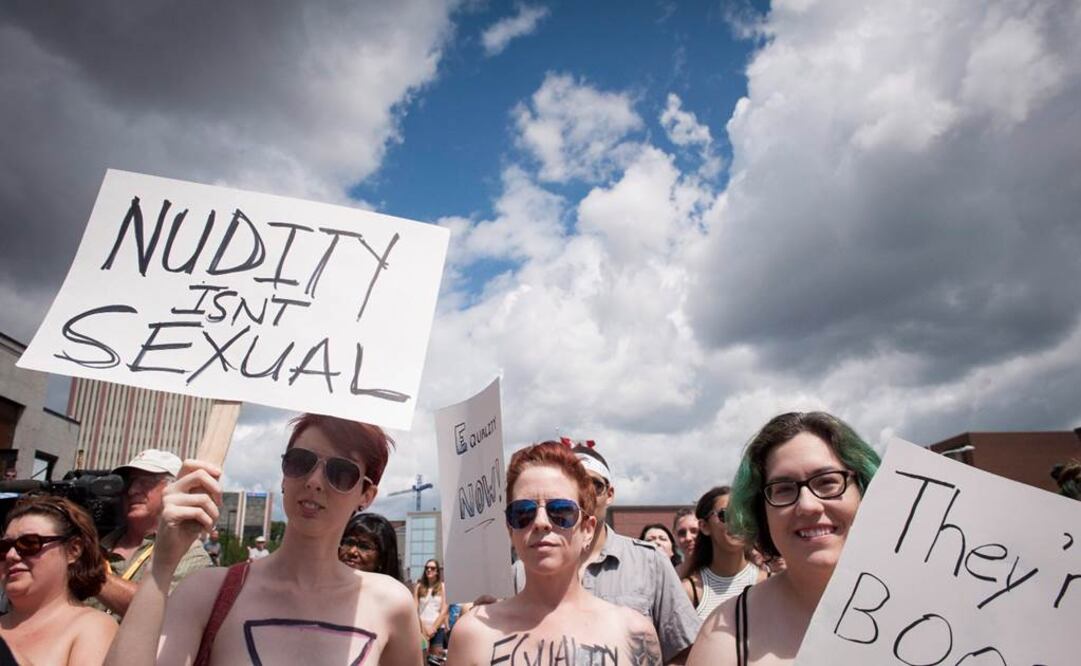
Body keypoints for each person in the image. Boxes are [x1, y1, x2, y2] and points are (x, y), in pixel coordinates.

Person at [103, 413, 423, 665]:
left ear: (366, 494)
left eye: (340, 473)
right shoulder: (206, 592)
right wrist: (162, 565)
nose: (313, 481)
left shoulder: (391, 604)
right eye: (300, 462)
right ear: (284, 473)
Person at [686, 411, 880, 666]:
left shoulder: (941, 599)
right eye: (783, 489)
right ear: (761, 512)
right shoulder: (726, 635)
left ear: (865, 490)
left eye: (828, 482)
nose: (808, 505)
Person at [449, 441, 662, 665]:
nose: (541, 522)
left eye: (560, 511)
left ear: (587, 529)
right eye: (523, 513)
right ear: (510, 529)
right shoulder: (474, 633)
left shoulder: (635, 634)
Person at [512, 442, 700, 663]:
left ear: (610, 493)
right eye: (577, 486)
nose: (586, 495)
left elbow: (682, 650)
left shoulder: (649, 562)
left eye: (594, 485)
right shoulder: (523, 570)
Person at [92, 449, 212, 616]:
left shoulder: (191, 554)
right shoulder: (95, 544)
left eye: (145, 482)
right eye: (128, 482)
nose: (132, 490)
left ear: (175, 490)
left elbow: (166, 611)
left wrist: (88, 575)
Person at [0, 495, 117, 665]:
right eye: (3, 548)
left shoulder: (92, 627)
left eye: (29, 543)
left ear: (73, 550)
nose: (11, 555)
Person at [680, 487, 764, 619]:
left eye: (744, 513)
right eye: (726, 515)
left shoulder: (770, 582)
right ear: (704, 527)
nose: (737, 521)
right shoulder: (689, 591)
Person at [339, 512, 403, 580]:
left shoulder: (391, 590)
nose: (352, 551)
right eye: (348, 543)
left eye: (364, 547)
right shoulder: (327, 586)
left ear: (381, 558)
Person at [415, 558, 449, 659]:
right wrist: (424, 629)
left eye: (432, 568)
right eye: (427, 568)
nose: (429, 570)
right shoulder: (418, 587)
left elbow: (444, 611)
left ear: (437, 571)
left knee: (436, 660)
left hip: (437, 630)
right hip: (421, 629)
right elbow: (414, 610)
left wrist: (433, 629)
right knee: (422, 660)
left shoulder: (443, 587)